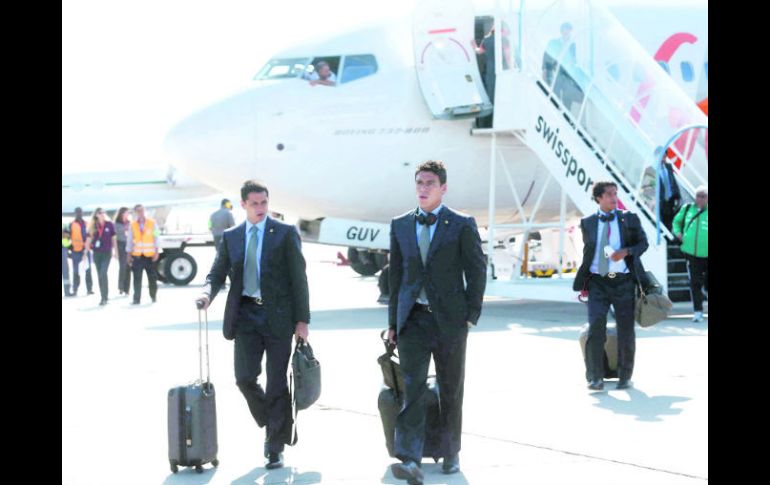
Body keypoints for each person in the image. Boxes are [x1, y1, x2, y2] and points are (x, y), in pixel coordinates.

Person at [196, 180, 310, 470]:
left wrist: (302, 320)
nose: (260, 208)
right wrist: (207, 294)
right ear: (243, 204)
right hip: (246, 315)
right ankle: (273, 422)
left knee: (276, 381)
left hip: (278, 317)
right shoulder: (232, 236)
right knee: (244, 378)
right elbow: (217, 272)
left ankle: (274, 445)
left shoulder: (284, 233)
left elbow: (299, 278)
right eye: (255, 203)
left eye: (264, 203)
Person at [387, 160, 486, 484]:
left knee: (450, 388)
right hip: (412, 320)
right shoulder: (400, 225)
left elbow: (476, 270)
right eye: (419, 182)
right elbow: (396, 277)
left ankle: (450, 452)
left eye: (430, 183)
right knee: (412, 389)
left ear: (443, 188)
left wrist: (470, 315)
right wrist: (393, 323)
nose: (423, 188)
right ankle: (410, 458)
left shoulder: (461, 224)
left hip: (450, 322)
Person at [573, 181, 649, 391]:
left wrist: (626, 251)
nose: (614, 198)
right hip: (598, 282)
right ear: (599, 198)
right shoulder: (587, 223)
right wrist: (584, 281)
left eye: (615, 193)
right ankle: (595, 377)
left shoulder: (629, 218)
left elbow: (643, 243)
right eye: (609, 194)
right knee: (595, 327)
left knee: (626, 330)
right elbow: (589, 252)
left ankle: (625, 376)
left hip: (623, 281)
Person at [672, 185, 708, 322]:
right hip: (691, 253)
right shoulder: (687, 208)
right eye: (698, 196)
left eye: (703, 196)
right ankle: (698, 311)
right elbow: (676, 222)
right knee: (695, 283)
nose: (700, 199)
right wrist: (678, 233)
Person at [542, 22, 583, 112]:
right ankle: (553, 112)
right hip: (556, 73)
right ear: (561, 31)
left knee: (567, 100)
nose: (567, 32)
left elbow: (574, 60)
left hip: (567, 75)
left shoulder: (572, 45)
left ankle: (565, 115)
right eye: (566, 30)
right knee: (554, 96)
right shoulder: (554, 42)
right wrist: (544, 70)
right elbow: (547, 56)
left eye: (569, 30)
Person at [126, 204, 160, 304]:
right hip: (137, 256)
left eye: (142, 210)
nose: (140, 212)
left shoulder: (152, 223)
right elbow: (129, 240)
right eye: (138, 211)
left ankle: (153, 296)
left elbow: (156, 237)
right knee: (137, 278)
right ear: (135, 213)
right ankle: (136, 299)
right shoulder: (133, 225)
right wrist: (128, 254)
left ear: (145, 210)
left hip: (149, 255)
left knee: (152, 278)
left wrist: (156, 251)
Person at [85, 208, 118, 306]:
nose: (102, 214)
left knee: (103, 272)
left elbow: (114, 239)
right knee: (100, 275)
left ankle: (104, 297)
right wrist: (85, 253)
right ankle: (103, 296)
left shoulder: (109, 224)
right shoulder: (93, 226)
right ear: (96, 215)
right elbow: (88, 240)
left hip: (107, 253)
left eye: (103, 212)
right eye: (100, 213)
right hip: (96, 254)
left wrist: (116, 252)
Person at [70, 207, 94, 296]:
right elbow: (67, 237)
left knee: (88, 270)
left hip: (86, 250)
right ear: (75, 213)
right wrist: (69, 249)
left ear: (82, 213)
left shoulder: (87, 224)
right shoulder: (71, 224)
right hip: (75, 251)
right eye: (77, 212)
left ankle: (89, 289)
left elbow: (90, 237)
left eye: (80, 212)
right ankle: (75, 289)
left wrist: (89, 247)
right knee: (76, 271)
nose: (79, 213)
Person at [656, 148, 682, 231]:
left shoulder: (668, 167)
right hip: (660, 202)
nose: (663, 159)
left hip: (670, 201)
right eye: (661, 157)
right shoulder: (652, 169)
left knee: (669, 224)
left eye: (664, 157)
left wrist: (678, 196)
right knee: (661, 225)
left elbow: (673, 182)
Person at [114, 207, 132, 296]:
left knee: (128, 266)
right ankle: (121, 287)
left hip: (129, 245)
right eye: (127, 212)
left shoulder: (129, 223)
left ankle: (127, 289)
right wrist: (115, 251)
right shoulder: (116, 224)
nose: (128, 214)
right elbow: (114, 238)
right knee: (122, 266)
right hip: (120, 245)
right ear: (122, 213)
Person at [62, 226, 74, 297]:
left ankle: (67, 291)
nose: (68, 235)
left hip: (64, 259)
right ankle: (67, 292)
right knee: (66, 274)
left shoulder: (65, 240)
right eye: (67, 233)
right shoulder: (64, 240)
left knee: (66, 274)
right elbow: (67, 245)